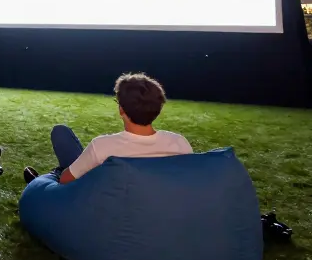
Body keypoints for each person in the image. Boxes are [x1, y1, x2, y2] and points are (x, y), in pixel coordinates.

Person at [23, 72, 193, 185]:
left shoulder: (103, 146)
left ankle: (43, 180)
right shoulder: (179, 144)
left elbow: (66, 181)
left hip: (91, 192)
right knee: (62, 135)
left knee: (62, 149)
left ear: (121, 110)